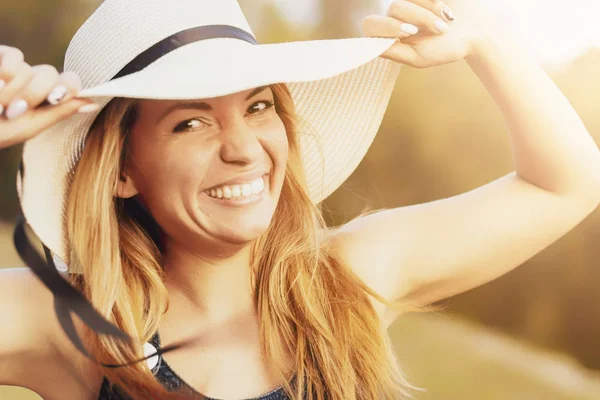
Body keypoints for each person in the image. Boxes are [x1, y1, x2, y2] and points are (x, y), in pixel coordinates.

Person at [1, 0, 600, 399]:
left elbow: (565, 183)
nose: (244, 149)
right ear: (121, 172)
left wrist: (485, 43)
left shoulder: (348, 278)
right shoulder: (71, 323)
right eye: (191, 123)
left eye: (258, 107)